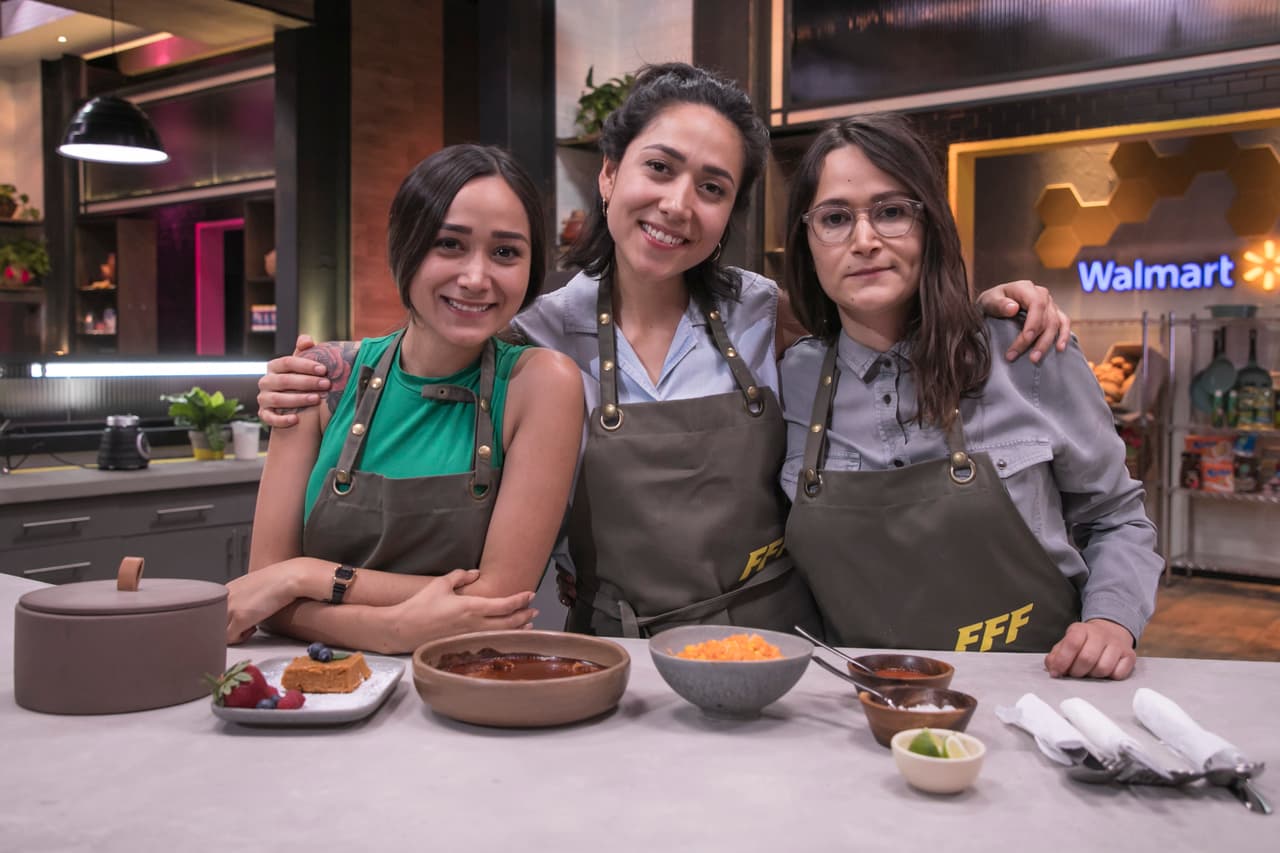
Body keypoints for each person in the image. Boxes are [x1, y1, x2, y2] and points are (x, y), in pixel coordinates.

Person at [257, 63, 1070, 639]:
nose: (679, 204)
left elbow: (874, 320)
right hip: (618, 649)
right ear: (609, 176)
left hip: (779, 644)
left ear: (731, 214)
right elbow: (434, 334)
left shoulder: (762, 309)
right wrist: (325, 364)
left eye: (713, 188)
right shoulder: (534, 334)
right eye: (659, 168)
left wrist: (990, 301)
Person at [779, 113, 1162, 679]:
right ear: (807, 241)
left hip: (1041, 690)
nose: (864, 241)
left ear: (930, 224)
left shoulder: (1028, 351)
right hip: (865, 707)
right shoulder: (792, 379)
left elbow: (1116, 515)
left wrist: (1111, 620)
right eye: (835, 218)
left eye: (891, 212)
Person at [225, 145, 584, 654]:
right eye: (449, 244)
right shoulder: (323, 377)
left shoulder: (541, 384)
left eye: (505, 252)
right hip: (312, 698)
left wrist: (304, 576)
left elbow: (499, 599)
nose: (477, 278)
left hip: (468, 686)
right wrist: (393, 630)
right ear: (404, 245)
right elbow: (265, 585)